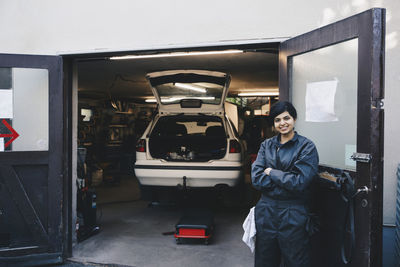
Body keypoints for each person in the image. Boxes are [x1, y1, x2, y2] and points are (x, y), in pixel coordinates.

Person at [251, 101, 319, 267]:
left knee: (296, 261)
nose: (282, 123)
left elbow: (299, 182)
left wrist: (272, 172)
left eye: (286, 118)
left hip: (293, 213)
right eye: (277, 120)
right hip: (266, 211)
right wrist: (285, 179)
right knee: (265, 260)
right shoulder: (266, 145)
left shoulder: (306, 147)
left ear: (294, 119)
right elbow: (256, 178)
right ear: (273, 124)